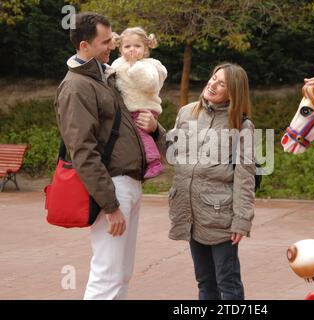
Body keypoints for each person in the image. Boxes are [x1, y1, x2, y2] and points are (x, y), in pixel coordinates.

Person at [55, 12, 160, 300]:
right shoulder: (77, 86)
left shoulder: (104, 76)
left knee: (121, 272)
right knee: (107, 274)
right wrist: (110, 204)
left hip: (128, 184)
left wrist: (155, 128)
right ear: (84, 46)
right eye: (105, 42)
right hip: (112, 188)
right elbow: (82, 151)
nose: (111, 46)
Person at [166, 63, 256, 300]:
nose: (212, 84)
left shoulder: (242, 126)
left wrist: (241, 220)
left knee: (227, 282)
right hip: (192, 214)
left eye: (221, 83)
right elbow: (172, 152)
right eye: (213, 78)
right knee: (205, 282)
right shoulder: (187, 112)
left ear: (233, 92)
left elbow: (245, 178)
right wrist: (156, 130)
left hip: (221, 217)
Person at [111, 27, 167, 178]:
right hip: (127, 109)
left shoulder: (151, 65)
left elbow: (150, 84)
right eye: (127, 46)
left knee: (141, 134)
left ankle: (154, 162)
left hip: (144, 108)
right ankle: (140, 164)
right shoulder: (117, 63)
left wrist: (135, 65)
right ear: (120, 49)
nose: (132, 50)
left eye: (137, 46)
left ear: (146, 48)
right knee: (131, 139)